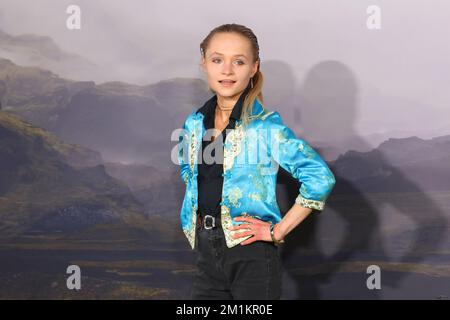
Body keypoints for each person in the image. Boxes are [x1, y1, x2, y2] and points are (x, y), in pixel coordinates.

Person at [177, 23, 336, 300]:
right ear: (204, 64)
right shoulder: (194, 123)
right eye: (217, 60)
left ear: (253, 68)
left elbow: (320, 177)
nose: (227, 70)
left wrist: (277, 231)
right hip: (206, 251)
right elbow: (187, 170)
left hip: (250, 253)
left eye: (238, 61)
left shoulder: (265, 127)